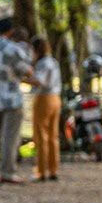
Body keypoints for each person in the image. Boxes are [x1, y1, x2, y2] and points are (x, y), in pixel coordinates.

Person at [0, 16, 35, 184]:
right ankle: (7, 171)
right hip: (12, 97)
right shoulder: (13, 48)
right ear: (11, 31)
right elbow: (25, 70)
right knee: (10, 136)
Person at [29, 37, 62, 181]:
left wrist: (21, 79)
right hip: (55, 98)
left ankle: (41, 171)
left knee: (40, 135)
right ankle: (53, 169)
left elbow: (39, 81)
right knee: (52, 136)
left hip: (44, 98)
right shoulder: (53, 62)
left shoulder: (43, 63)